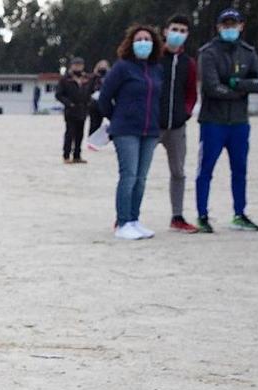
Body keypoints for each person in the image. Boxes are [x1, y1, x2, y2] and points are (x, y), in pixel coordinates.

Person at [194, 8, 258, 233]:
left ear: (241, 26)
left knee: (240, 170)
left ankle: (239, 213)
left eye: (233, 24)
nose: (229, 28)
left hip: (239, 123)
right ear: (218, 27)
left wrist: (238, 84)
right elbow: (211, 87)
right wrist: (240, 90)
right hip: (213, 121)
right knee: (206, 170)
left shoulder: (248, 52)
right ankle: (202, 215)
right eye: (225, 25)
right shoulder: (208, 52)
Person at [99, 24, 164, 241]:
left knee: (141, 178)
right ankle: (123, 221)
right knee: (129, 176)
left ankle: (135, 219)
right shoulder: (122, 67)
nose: (143, 43)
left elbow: (159, 99)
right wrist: (116, 118)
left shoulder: (156, 69)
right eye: (139, 39)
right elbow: (104, 98)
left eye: (147, 39)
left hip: (150, 131)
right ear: (131, 43)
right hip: (126, 130)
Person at [158, 14, 200, 234]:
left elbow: (191, 92)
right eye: (175, 29)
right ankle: (128, 216)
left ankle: (177, 216)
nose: (178, 34)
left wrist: (185, 113)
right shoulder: (154, 58)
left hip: (177, 127)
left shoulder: (189, 63)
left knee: (178, 172)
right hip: (153, 124)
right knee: (138, 171)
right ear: (165, 31)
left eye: (183, 31)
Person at [56, 57, 92, 164]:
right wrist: (69, 103)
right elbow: (58, 95)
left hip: (82, 110)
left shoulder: (86, 79)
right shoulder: (65, 79)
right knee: (70, 133)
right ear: (71, 66)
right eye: (76, 65)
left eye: (80, 65)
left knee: (80, 134)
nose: (78, 67)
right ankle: (66, 155)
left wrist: (88, 102)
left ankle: (77, 155)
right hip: (71, 111)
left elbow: (90, 91)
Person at [88, 59, 111, 136]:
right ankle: (92, 141)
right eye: (101, 65)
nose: (103, 67)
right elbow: (88, 89)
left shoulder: (111, 77)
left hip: (107, 102)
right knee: (94, 123)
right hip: (94, 103)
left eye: (105, 65)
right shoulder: (93, 78)